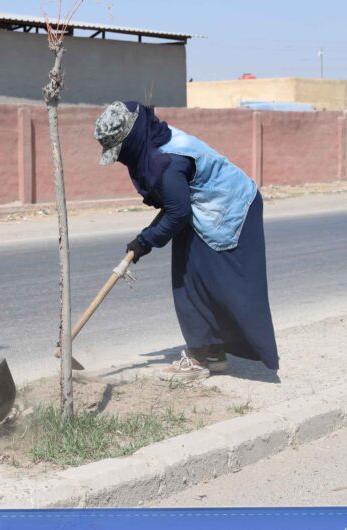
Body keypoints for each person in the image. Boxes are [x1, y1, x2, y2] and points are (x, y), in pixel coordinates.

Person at [93, 101, 279, 381]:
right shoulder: (155, 142)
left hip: (230, 207)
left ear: (131, 141)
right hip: (209, 204)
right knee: (194, 275)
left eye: (120, 152)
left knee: (193, 279)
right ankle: (213, 352)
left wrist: (145, 241)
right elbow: (175, 206)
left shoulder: (164, 163)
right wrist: (143, 240)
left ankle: (200, 357)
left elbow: (177, 212)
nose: (121, 160)